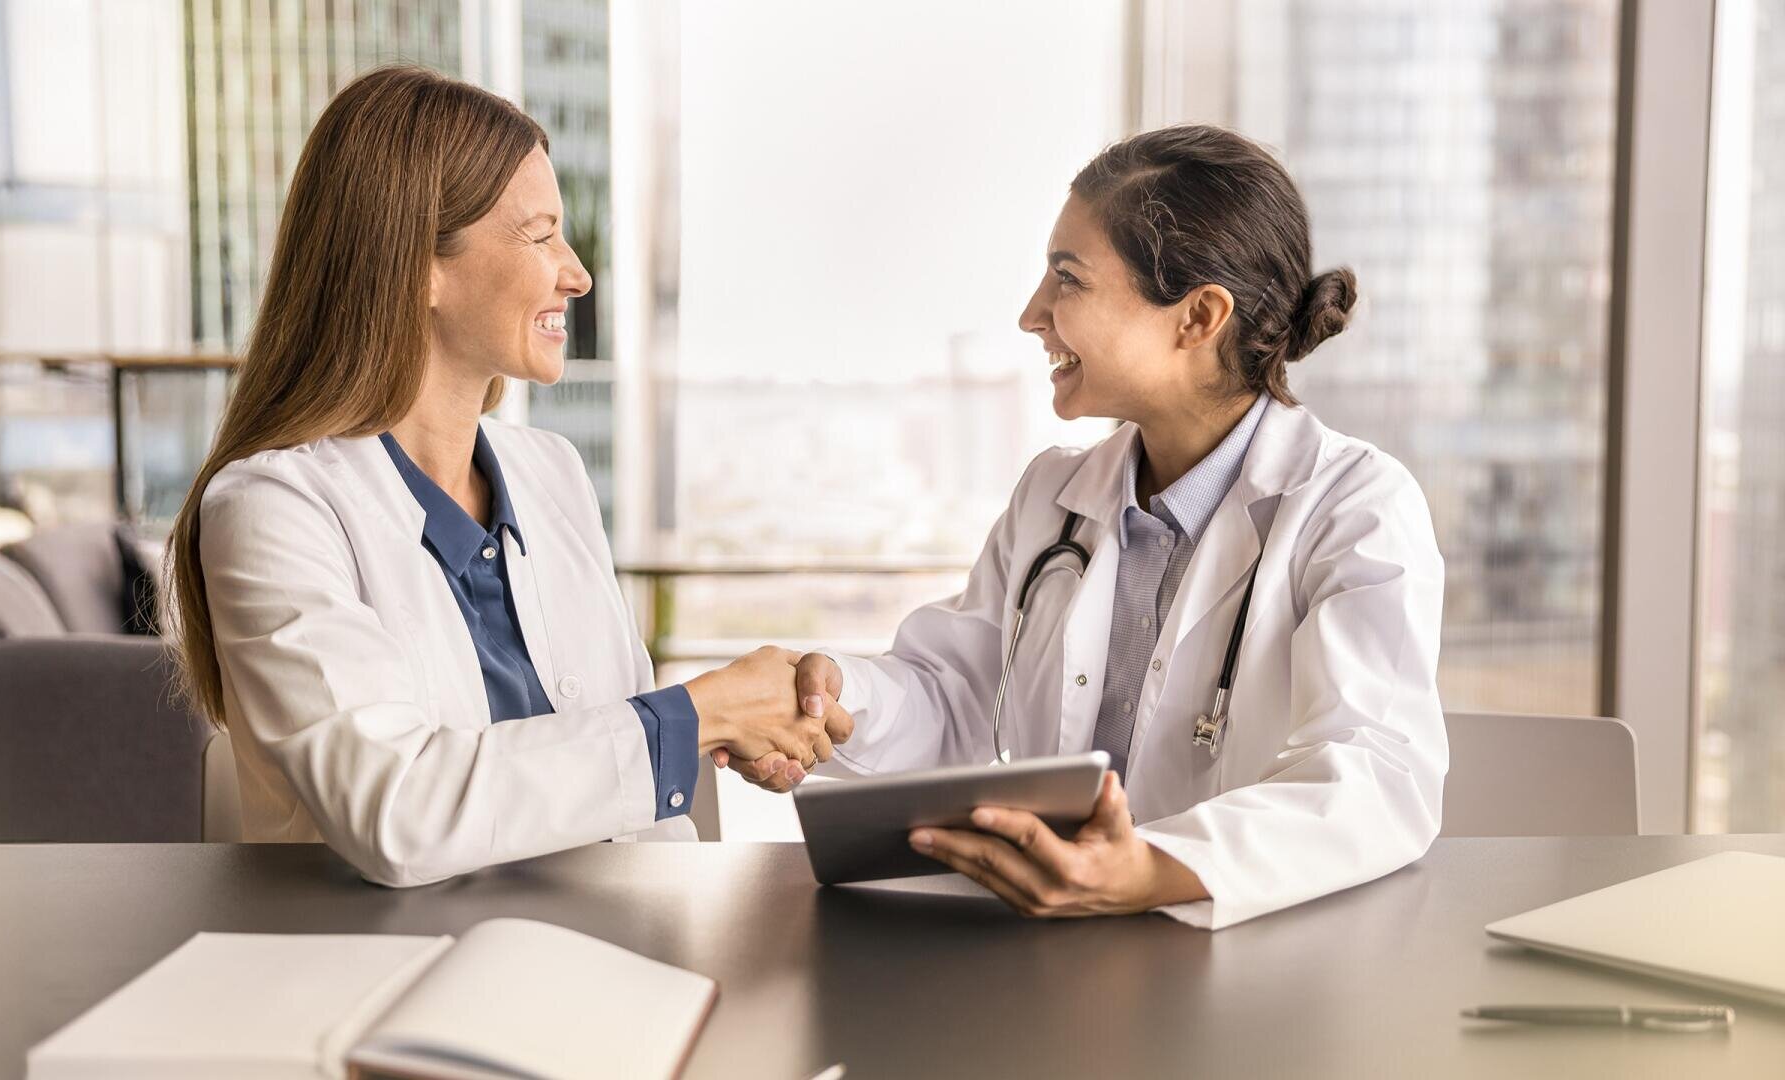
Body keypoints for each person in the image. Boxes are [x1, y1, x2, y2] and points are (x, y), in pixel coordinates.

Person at [717, 126, 1448, 930]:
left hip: (1238, 955)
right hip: (1043, 946)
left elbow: (1376, 774)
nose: (1032, 314)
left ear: (1198, 316)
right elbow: (958, 701)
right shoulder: (1054, 495)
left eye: (1067, 278)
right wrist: (835, 698)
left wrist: (1150, 870)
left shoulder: (1352, 507)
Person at [166, 66, 847, 887]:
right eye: (541, 235)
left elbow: (617, 767)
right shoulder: (273, 510)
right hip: (393, 960)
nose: (577, 272)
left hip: (616, 937)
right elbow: (397, 810)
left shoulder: (551, 471)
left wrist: (735, 727)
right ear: (420, 265)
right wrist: (697, 716)